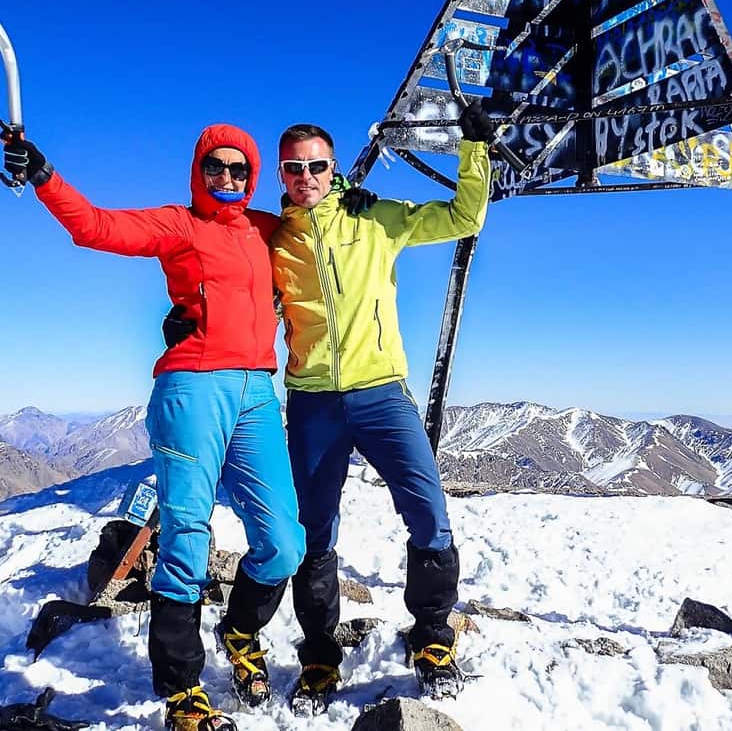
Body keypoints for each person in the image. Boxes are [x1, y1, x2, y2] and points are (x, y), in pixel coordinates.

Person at [3, 124, 307, 731]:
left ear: (252, 176)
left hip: (257, 391)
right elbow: (95, 226)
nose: (227, 177)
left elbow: (322, 224)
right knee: (186, 537)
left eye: (239, 169)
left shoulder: (266, 227)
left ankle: (239, 632)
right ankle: (183, 690)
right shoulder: (179, 224)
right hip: (192, 387)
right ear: (199, 170)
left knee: (283, 541)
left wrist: (347, 192)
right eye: (215, 167)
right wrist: (43, 174)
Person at [269, 104, 493, 707]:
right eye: (294, 168)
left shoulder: (375, 218)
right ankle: (320, 658)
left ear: (333, 167)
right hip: (313, 401)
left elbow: (464, 216)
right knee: (314, 531)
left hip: (382, 394)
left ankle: (433, 639)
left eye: (317, 165)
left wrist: (473, 150)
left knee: (429, 515)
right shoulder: (275, 239)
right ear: (281, 174)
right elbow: (233, 286)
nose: (306, 176)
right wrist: (188, 319)